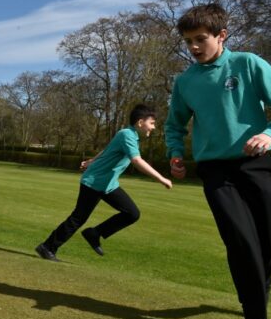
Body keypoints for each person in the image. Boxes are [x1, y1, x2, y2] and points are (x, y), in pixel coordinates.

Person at [165, 3, 271, 319]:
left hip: (258, 163)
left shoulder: (247, 64)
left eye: (201, 39)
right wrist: (175, 151)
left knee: (269, 241)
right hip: (216, 171)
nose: (194, 47)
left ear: (221, 36)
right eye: (188, 42)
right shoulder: (185, 82)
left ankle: (260, 280)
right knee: (240, 240)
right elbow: (175, 124)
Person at [36, 104, 171, 262]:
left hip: (108, 185)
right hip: (94, 183)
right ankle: (47, 247)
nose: (153, 127)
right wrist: (161, 178)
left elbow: (107, 150)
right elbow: (136, 160)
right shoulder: (127, 134)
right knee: (78, 218)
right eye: (152, 123)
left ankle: (94, 233)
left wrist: (91, 161)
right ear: (140, 122)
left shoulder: (130, 136)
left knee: (132, 213)